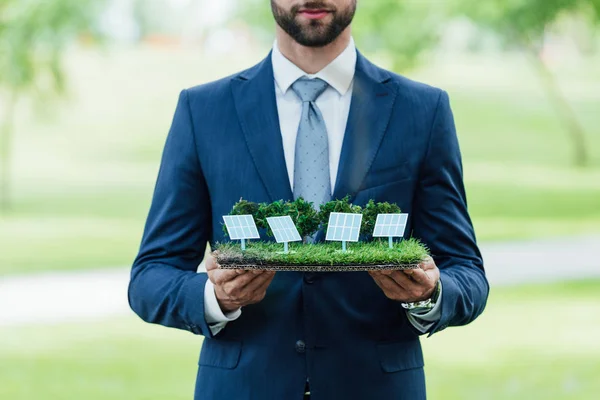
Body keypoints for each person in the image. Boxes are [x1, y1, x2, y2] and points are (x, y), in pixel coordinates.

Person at [128, 1, 489, 399]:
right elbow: (150, 277)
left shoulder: (422, 110)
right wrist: (215, 297)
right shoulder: (204, 111)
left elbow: (467, 272)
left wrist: (430, 294)